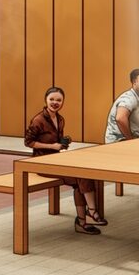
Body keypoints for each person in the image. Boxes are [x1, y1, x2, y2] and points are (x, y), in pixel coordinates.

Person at [25, 86, 106, 234]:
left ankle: (83, 221)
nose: (55, 102)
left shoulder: (60, 119)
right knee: (81, 177)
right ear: (46, 100)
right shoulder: (38, 120)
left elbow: (57, 144)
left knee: (82, 176)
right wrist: (52, 146)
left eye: (59, 100)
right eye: (52, 99)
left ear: (62, 102)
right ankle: (90, 214)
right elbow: (28, 142)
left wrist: (62, 143)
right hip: (41, 163)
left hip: (56, 160)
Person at [105, 67, 139, 208]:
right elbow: (120, 118)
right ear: (134, 82)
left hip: (134, 142)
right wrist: (131, 141)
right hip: (118, 142)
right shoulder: (128, 98)